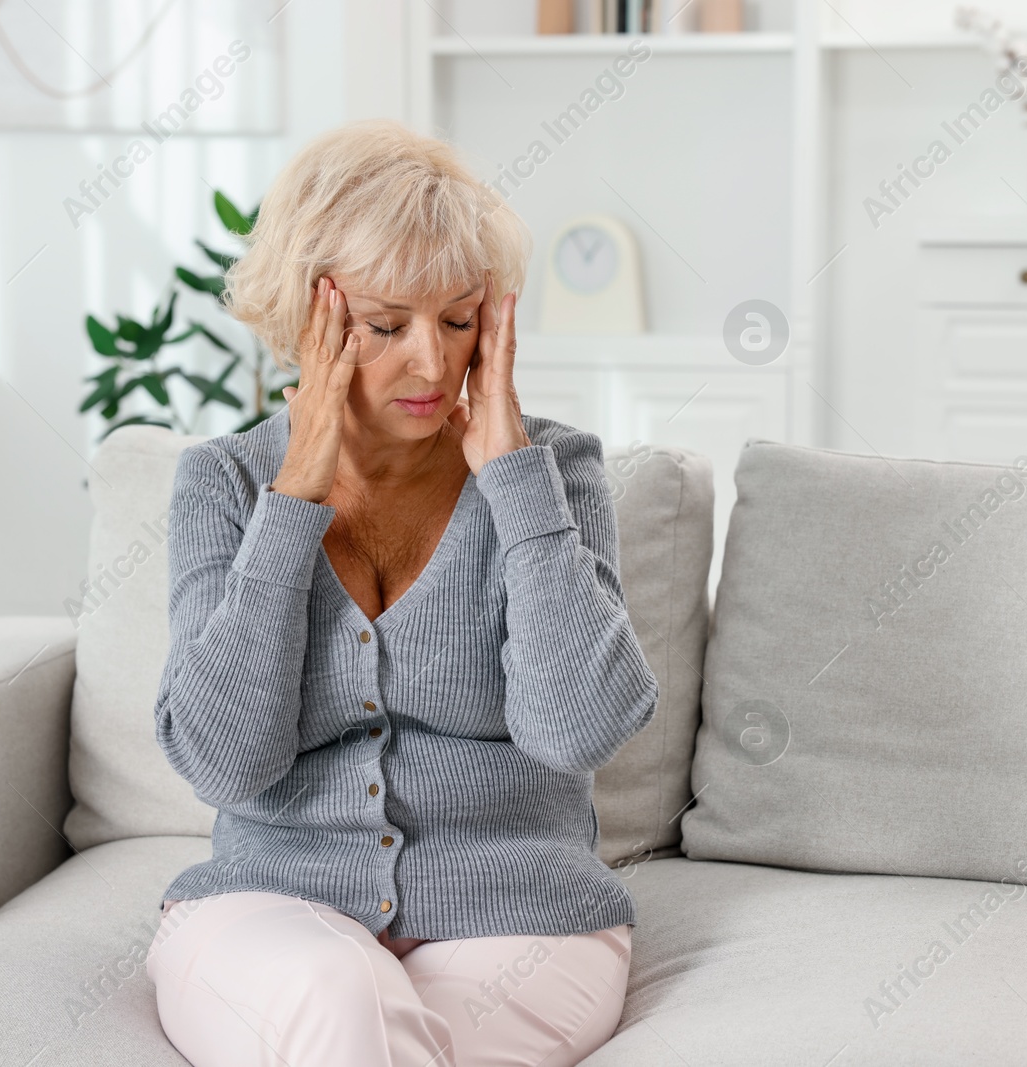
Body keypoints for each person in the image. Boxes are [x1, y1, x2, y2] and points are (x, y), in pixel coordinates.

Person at [143, 117, 661, 1066]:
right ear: (305, 317)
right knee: (340, 996)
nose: (432, 363)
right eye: (385, 325)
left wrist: (514, 481)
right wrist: (292, 500)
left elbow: (577, 729)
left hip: (519, 914)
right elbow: (223, 759)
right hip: (274, 906)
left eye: (460, 320)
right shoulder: (223, 485)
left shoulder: (553, 473)